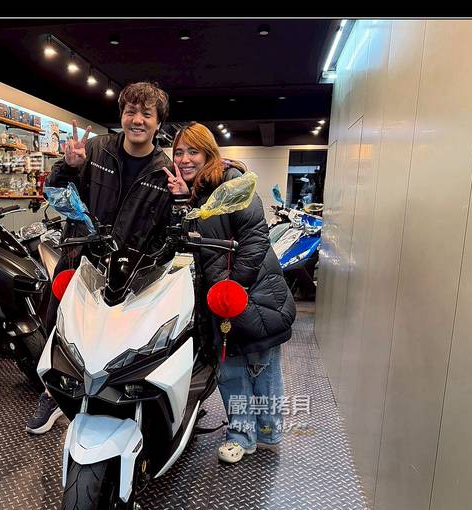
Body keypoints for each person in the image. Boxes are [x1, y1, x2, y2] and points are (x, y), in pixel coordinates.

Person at [26, 81, 175, 435]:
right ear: (121, 115)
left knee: (117, 337)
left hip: (130, 271)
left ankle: (110, 397)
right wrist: (67, 167)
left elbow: (166, 229)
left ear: (158, 123)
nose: (137, 120)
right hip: (80, 256)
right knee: (60, 326)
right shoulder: (94, 150)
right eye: (130, 111)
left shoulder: (164, 170)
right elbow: (54, 192)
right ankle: (52, 394)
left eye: (146, 114)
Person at [164, 123, 296, 463]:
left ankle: (267, 431)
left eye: (193, 151)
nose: (184, 159)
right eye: (179, 152)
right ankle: (242, 434)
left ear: (209, 153)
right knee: (230, 368)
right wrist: (182, 198)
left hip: (252, 294)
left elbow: (255, 239)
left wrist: (234, 286)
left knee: (262, 367)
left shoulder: (232, 184)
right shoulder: (197, 193)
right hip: (218, 298)